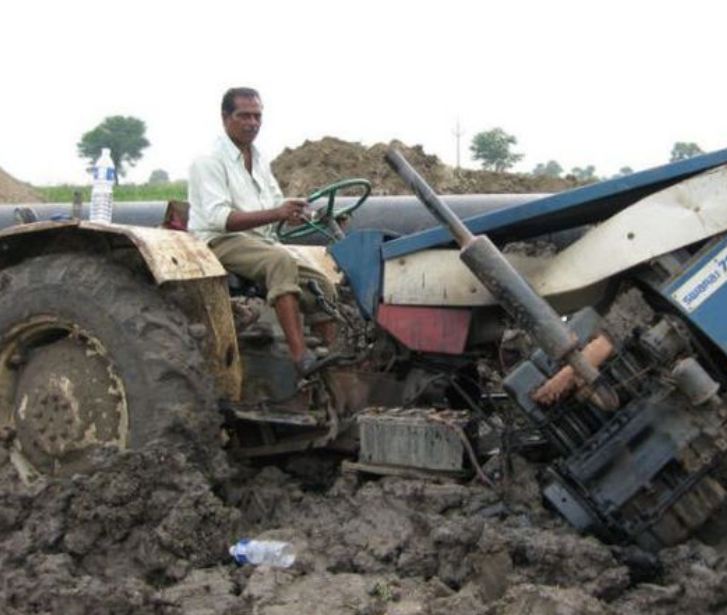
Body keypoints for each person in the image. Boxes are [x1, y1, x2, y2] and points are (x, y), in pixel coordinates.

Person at [187, 87, 337, 375]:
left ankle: (329, 357)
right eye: (244, 115)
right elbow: (220, 218)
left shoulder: (258, 159)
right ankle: (300, 357)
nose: (252, 123)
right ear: (225, 118)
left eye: (257, 116)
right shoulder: (208, 161)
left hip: (259, 240)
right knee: (278, 262)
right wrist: (277, 212)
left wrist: (299, 213)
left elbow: (273, 204)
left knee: (324, 283)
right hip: (219, 240)